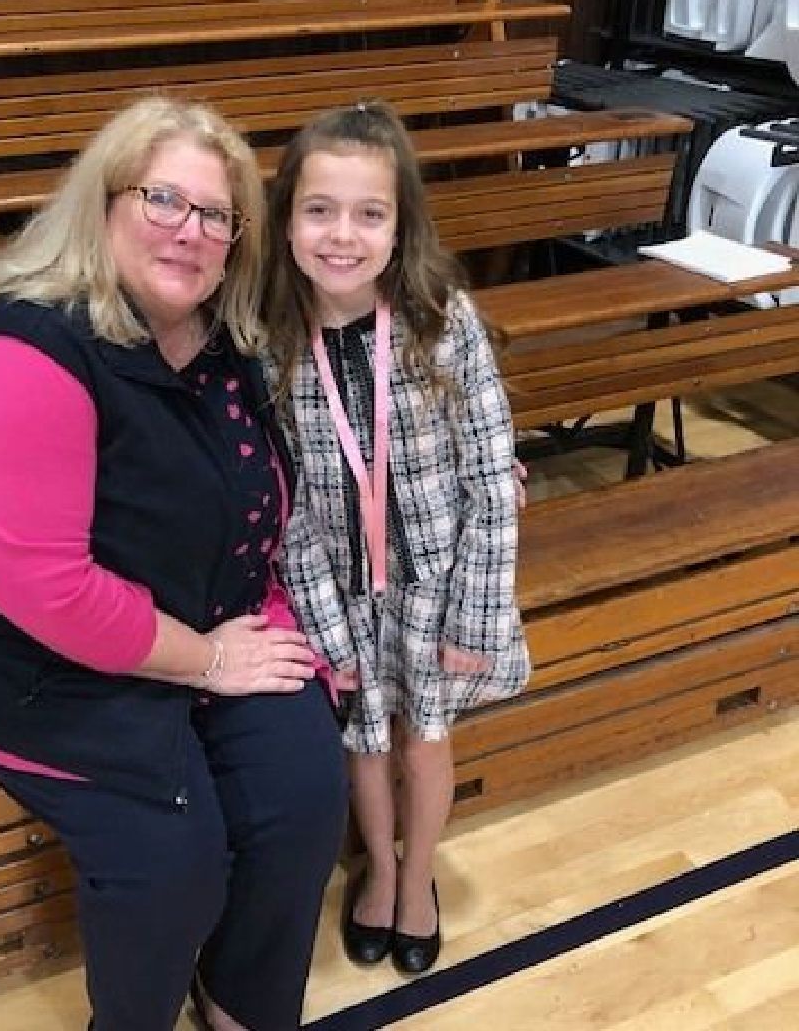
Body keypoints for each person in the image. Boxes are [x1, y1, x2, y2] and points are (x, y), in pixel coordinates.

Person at [0, 96, 349, 1031]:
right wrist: (209, 661)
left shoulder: (221, 337)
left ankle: (243, 1006)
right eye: (163, 200)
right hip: (45, 669)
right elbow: (45, 590)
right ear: (102, 204)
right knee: (173, 864)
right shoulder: (20, 356)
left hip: (210, 625)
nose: (190, 232)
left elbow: (264, 496)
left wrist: (277, 626)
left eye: (216, 215)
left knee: (306, 792)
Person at [262, 101, 532, 976]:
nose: (343, 234)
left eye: (369, 213)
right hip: (337, 592)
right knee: (363, 742)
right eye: (319, 210)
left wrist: (474, 619)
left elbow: (493, 478)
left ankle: (419, 880)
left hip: (438, 588)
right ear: (287, 219)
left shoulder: (441, 321)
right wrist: (326, 635)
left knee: (425, 738)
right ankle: (377, 870)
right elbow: (286, 506)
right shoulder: (267, 341)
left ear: (400, 222)